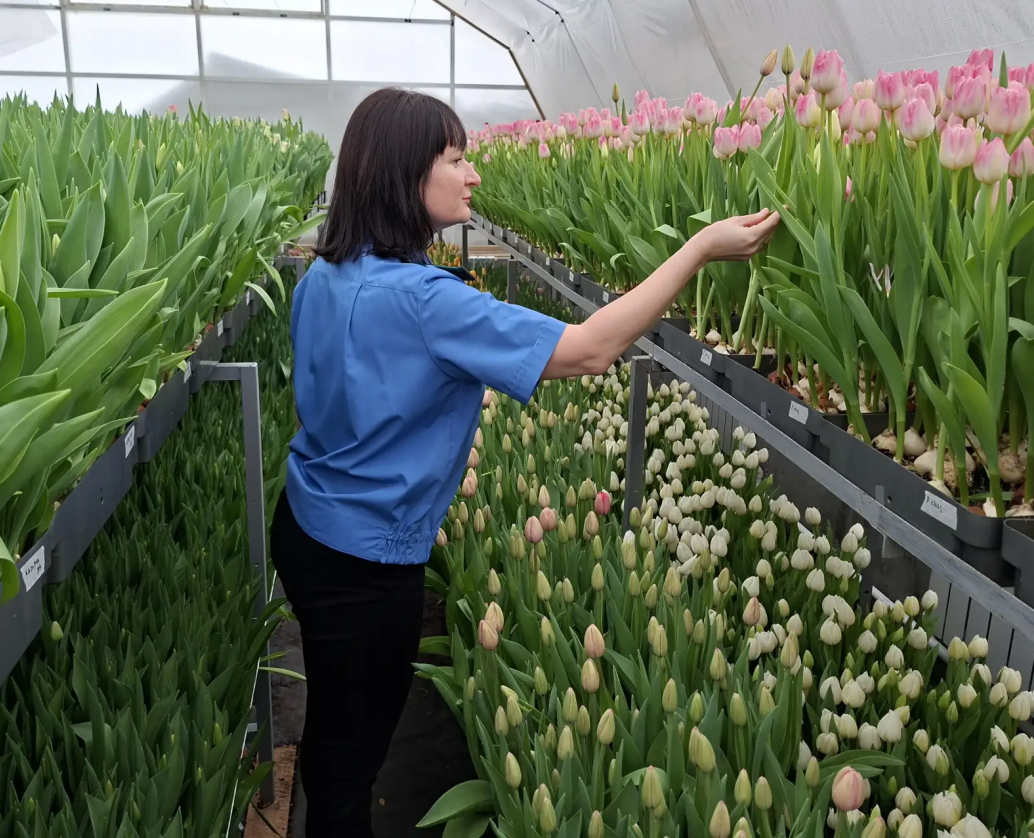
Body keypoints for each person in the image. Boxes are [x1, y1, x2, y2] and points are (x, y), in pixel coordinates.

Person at [270, 87, 778, 837]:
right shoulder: (425, 300)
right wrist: (698, 248)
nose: (472, 174)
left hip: (307, 528)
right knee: (352, 771)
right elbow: (594, 347)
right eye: (454, 158)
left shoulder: (326, 273)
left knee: (335, 742)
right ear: (403, 175)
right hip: (368, 568)